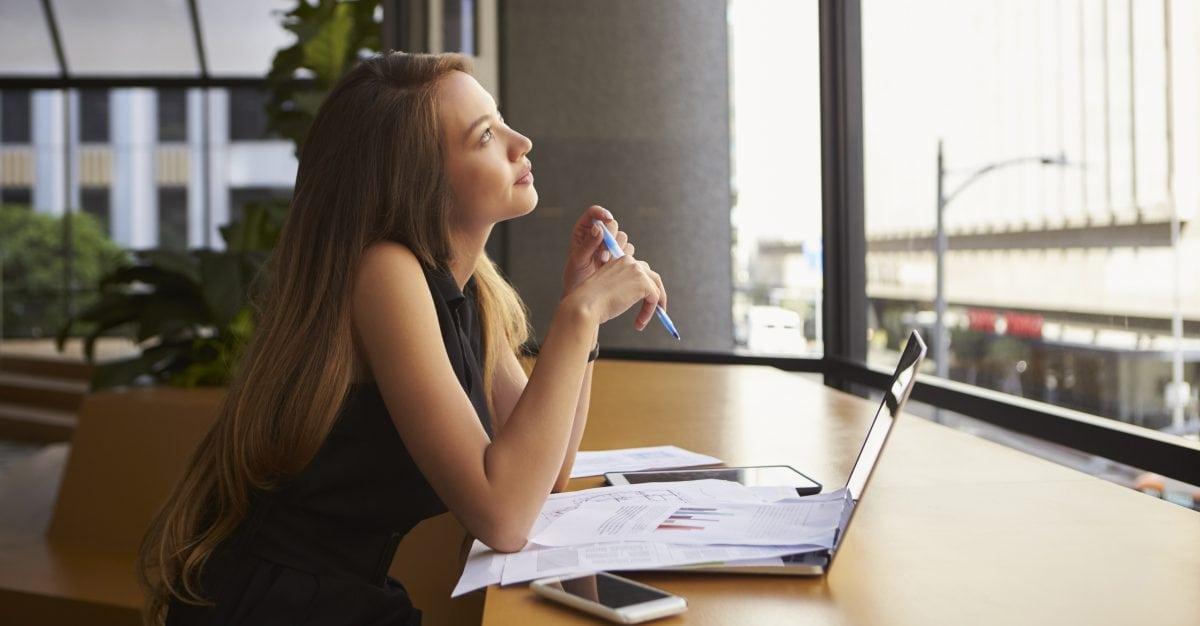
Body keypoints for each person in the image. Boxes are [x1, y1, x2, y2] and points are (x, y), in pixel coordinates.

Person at [137, 51, 668, 626]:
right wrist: (579, 316)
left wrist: (580, 309)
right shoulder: (384, 273)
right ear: (421, 181)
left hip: (344, 594)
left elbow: (544, 477)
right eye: (485, 135)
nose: (522, 142)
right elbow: (504, 517)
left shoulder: (472, 290)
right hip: (277, 605)